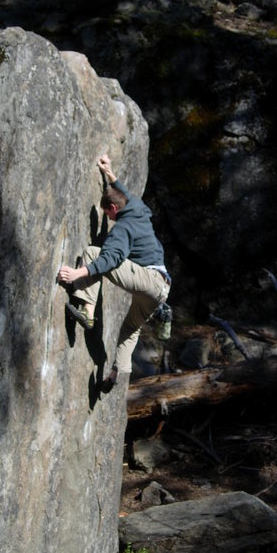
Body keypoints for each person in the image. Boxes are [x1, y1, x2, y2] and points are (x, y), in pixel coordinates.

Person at [57, 154, 171, 392]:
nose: (108, 218)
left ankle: (87, 312)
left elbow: (110, 259)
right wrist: (109, 173)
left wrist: (78, 274)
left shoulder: (123, 228)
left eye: (107, 213)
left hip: (148, 281)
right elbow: (123, 192)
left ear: (114, 208)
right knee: (130, 330)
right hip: (161, 290)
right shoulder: (137, 207)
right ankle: (115, 374)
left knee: (92, 253)